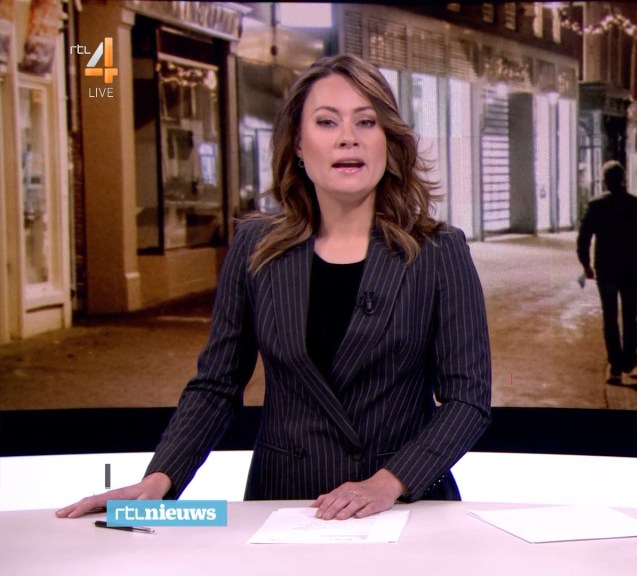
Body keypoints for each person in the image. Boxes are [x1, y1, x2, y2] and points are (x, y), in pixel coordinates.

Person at [57, 54, 491, 521]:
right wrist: (160, 478)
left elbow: (467, 400)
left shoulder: (438, 250)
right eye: (327, 122)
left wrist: (388, 483)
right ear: (299, 144)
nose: (348, 137)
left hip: (403, 509)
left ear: (389, 139)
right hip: (284, 503)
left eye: (366, 122)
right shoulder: (256, 246)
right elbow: (217, 385)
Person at [577, 160, 637, 384]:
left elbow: (583, 239)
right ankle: (629, 357)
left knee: (610, 317)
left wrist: (586, 265)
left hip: (607, 270)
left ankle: (615, 366)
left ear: (605, 181)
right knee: (630, 315)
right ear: (623, 179)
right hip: (631, 269)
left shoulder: (596, 206)